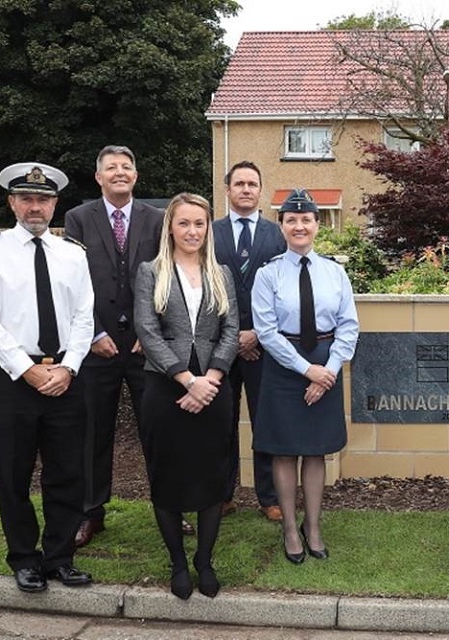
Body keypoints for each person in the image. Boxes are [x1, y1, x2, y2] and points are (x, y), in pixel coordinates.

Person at [0, 162, 95, 592]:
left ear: (55, 204)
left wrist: (70, 366)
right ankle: (24, 558)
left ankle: (60, 558)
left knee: (67, 473)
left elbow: (84, 316)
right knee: (13, 472)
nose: (35, 206)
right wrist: (26, 370)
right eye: (26, 198)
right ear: (12, 202)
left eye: (43, 199)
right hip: (12, 378)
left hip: (65, 374)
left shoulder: (73, 253)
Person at [134, 193, 239, 599]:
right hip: (165, 388)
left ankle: (204, 561)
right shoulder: (151, 271)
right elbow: (147, 329)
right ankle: (178, 563)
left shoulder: (222, 273)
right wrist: (185, 379)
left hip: (215, 387)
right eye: (184, 223)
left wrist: (209, 378)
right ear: (171, 228)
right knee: (168, 476)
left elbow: (232, 329)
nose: (192, 231)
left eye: (199, 223)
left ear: (207, 228)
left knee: (212, 475)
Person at [64, 145, 165, 547]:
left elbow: (165, 278)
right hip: (97, 345)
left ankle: (168, 508)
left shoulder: (156, 220)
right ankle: (91, 513)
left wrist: (150, 331)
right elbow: (73, 281)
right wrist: (94, 334)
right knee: (93, 434)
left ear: (135, 176)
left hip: (145, 346)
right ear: (99, 177)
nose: (119, 172)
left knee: (157, 431)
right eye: (111, 167)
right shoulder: (77, 218)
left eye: (126, 166)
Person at [252, 189, 358, 564]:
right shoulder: (268, 274)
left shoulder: (335, 272)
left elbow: (349, 326)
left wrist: (326, 371)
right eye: (291, 220)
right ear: (281, 226)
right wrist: (305, 369)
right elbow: (266, 332)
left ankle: (313, 527)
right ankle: (290, 529)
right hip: (285, 365)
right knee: (283, 451)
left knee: (315, 452)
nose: (299, 226)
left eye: (306, 219)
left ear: (317, 225)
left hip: (325, 360)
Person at [213, 161, 287, 521]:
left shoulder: (277, 235)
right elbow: (204, 290)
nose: (245, 189)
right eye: (238, 183)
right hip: (220, 347)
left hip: (263, 346)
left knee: (266, 421)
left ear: (260, 190)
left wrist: (258, 331)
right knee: (221, 423)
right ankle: (222, 494)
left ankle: (268, 497)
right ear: (227, 189)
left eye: (252, 183)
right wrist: (232, 335)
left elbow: (282, 291)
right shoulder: (210, 233)